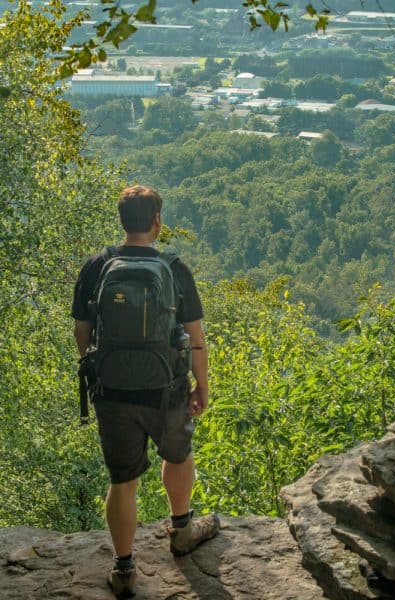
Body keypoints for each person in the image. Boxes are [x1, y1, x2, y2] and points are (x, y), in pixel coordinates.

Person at [72, 185, 220, 598]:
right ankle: (182, 529)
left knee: (122, 481)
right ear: (157, 221)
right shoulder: (174, 268)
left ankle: (123, 570)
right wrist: (201, 384)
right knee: (179, 454)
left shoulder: (96, 266)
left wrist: (100, 365)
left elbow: (82, 329)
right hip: (166, 389)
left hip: (112, 391)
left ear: (123, 221)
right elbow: (195, 337)